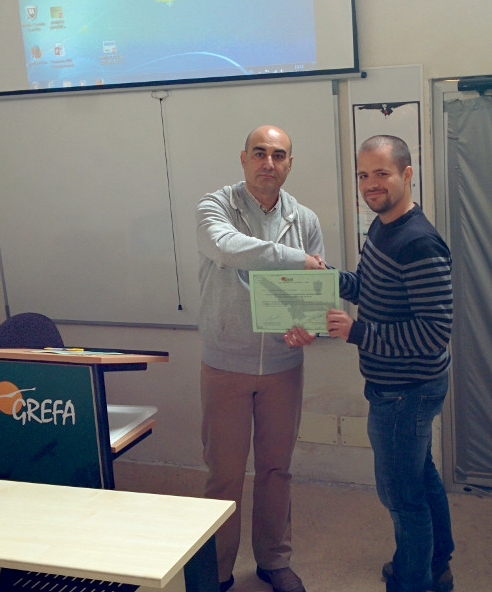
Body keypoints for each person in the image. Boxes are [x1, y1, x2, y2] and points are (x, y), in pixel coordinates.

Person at [319, 135, 454, 592]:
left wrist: (358, 332)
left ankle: (413, 581)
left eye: (382, 173)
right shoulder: (381, 227)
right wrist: (329, 279)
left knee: (401, 495)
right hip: (399, 387)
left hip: (405, 391)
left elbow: (434, 333)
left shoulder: (419, 243)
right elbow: (369, 287)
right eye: (363, 175)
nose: (370, 184)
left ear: (407, 174)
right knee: (420, 476)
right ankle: (436, 564)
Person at [195, 125, 325, 592]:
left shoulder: (304, 219)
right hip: (225, 363)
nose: (268, 162)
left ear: (289, 163)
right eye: (259, 153)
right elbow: (225, 248)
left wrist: (309, 325)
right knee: (224, 475)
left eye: (279, 155)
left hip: (283, 369)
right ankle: (217, 570)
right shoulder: (215, 206)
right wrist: (294, 259)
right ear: (244, 158)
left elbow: (314, 289)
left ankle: (273, 560)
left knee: (276, 470)